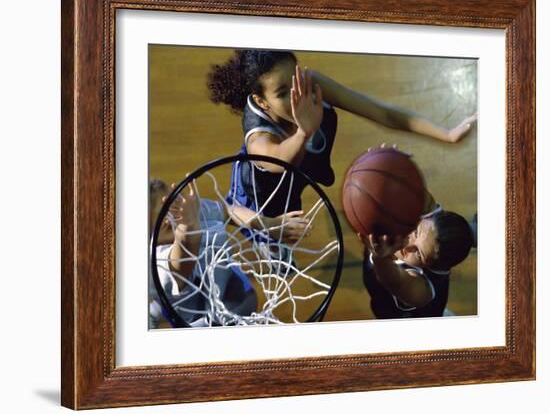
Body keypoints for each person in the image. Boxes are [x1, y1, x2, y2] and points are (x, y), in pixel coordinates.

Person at [207, 50, 477, 218]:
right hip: (266, 194)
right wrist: (303, 131)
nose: (297, 95)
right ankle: (273, 252)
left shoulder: (311, 85)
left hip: (307, 165)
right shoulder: (259, 139)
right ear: (262, 101)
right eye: (281, 93)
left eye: (296, 80)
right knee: (276, 236)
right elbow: (279, 159)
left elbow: (382, 113)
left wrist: (447, 134)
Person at [148, 178, 309, 328]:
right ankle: (155, 311)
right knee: (245, 305)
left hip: (218, 274)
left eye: (172, 205)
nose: (173, 218)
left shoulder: (184, 213)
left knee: (245, 295)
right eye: (165, 223)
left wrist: (270, 224)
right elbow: (184, 254)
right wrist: (187, 226)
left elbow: (228, 210)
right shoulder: (157, 264)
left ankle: (155, 310)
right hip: (198, 320)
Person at [361, 206, 474, 319]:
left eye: (419, 254)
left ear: (433, 267)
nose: (408, 245)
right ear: (423, 217)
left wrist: (380, 256)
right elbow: (421, 195)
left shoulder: (421, 292)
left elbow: (395, 281)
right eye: (415, 233)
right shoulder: (425, 222)